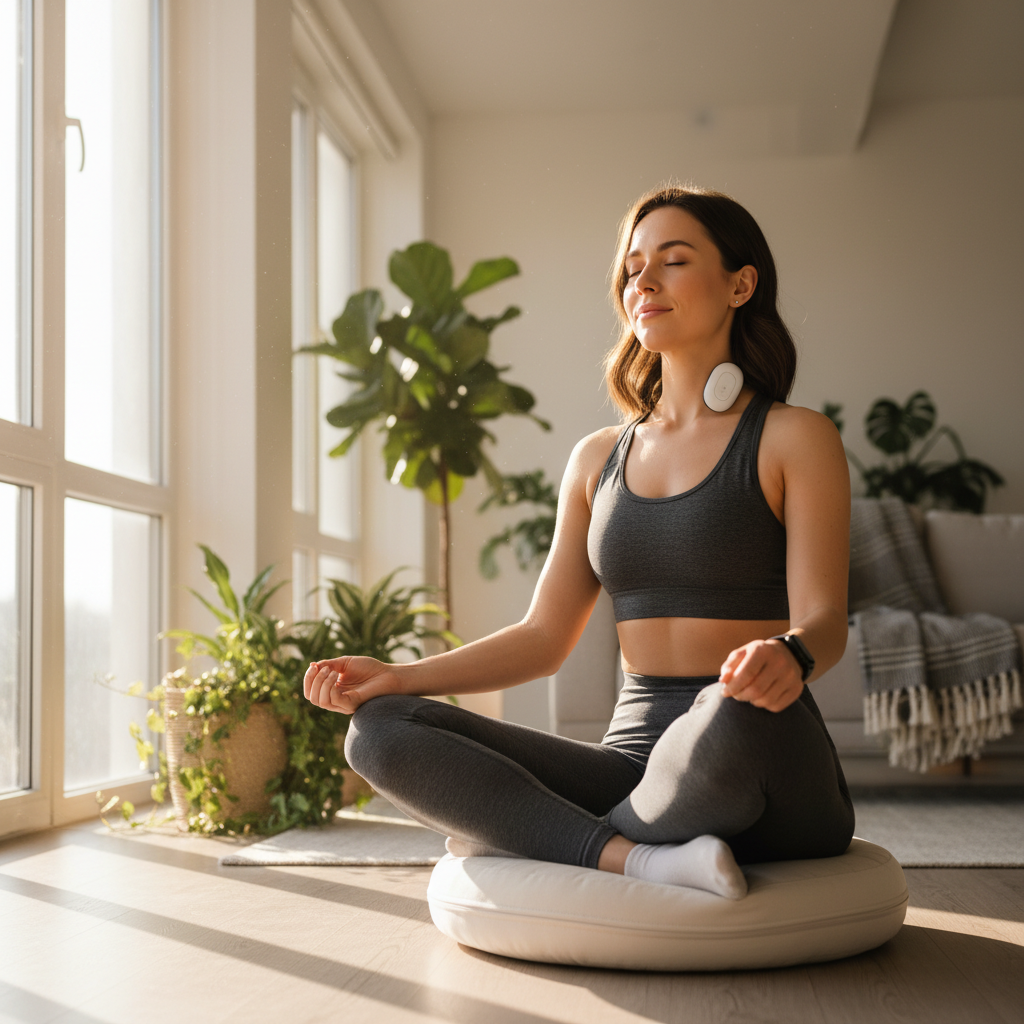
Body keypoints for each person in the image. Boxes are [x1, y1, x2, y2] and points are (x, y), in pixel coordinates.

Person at [304, 185, 854, 900]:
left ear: (739, 284)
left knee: (726, 704)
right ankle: (633, 856)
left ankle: (535, 832)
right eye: (631, 269)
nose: (643, 282)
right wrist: (400, 676)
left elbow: (826, 625)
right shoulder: (598, 459)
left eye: (674, 260)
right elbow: (543, 637)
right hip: (634, 768)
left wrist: (791, 653)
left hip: (762, 755)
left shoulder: (793, 437)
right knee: (378, 732)